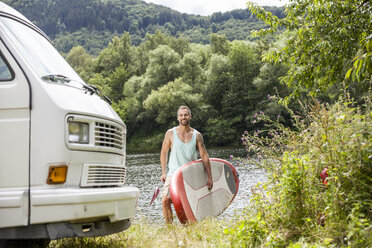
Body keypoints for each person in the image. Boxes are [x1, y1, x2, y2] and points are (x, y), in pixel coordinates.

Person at [160, 105, 213, 224]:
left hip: (190, 174)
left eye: (186, 115)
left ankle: (189, 227)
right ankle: (170, 229)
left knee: (188, 204)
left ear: (190, 116)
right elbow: (164, 152)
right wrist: (164, 172)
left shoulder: (197, 135)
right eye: (181, 115)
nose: (183, 117)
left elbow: (204, 156)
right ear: (178, 118)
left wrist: (209, 177)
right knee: (165, 201)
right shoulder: (170, 133)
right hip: (173, 174)